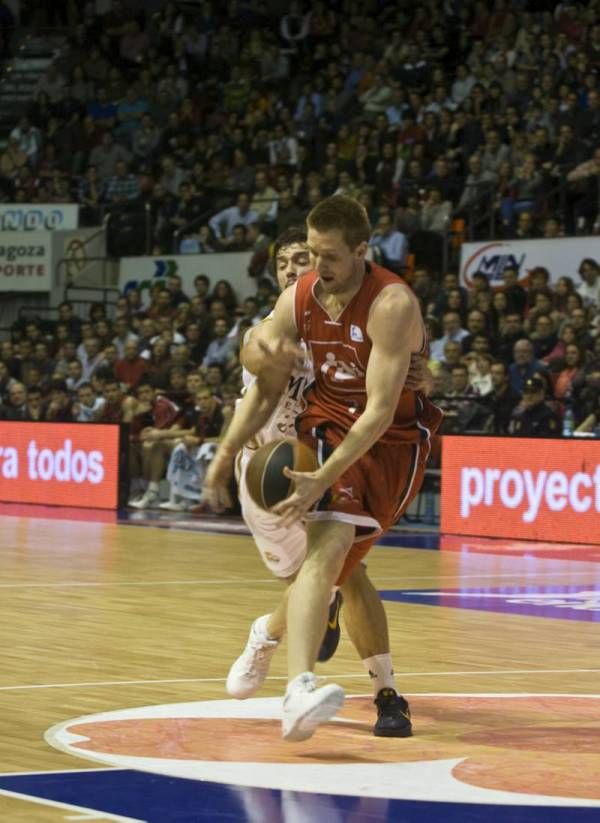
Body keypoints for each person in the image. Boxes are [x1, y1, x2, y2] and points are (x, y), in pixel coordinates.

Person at [205, 196, 442, 742]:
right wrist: (222, 453)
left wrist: (424, 367)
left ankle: (268, 634)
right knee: (332, 558)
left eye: (323, 256)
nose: (312, 267)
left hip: (384, 443)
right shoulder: (294, 303)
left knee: (339, 570)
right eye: (304, 255)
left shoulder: (390, 302)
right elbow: (256, 360)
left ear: (362, 250)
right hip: (294, 453)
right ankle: (305, 689)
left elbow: (382, 411)